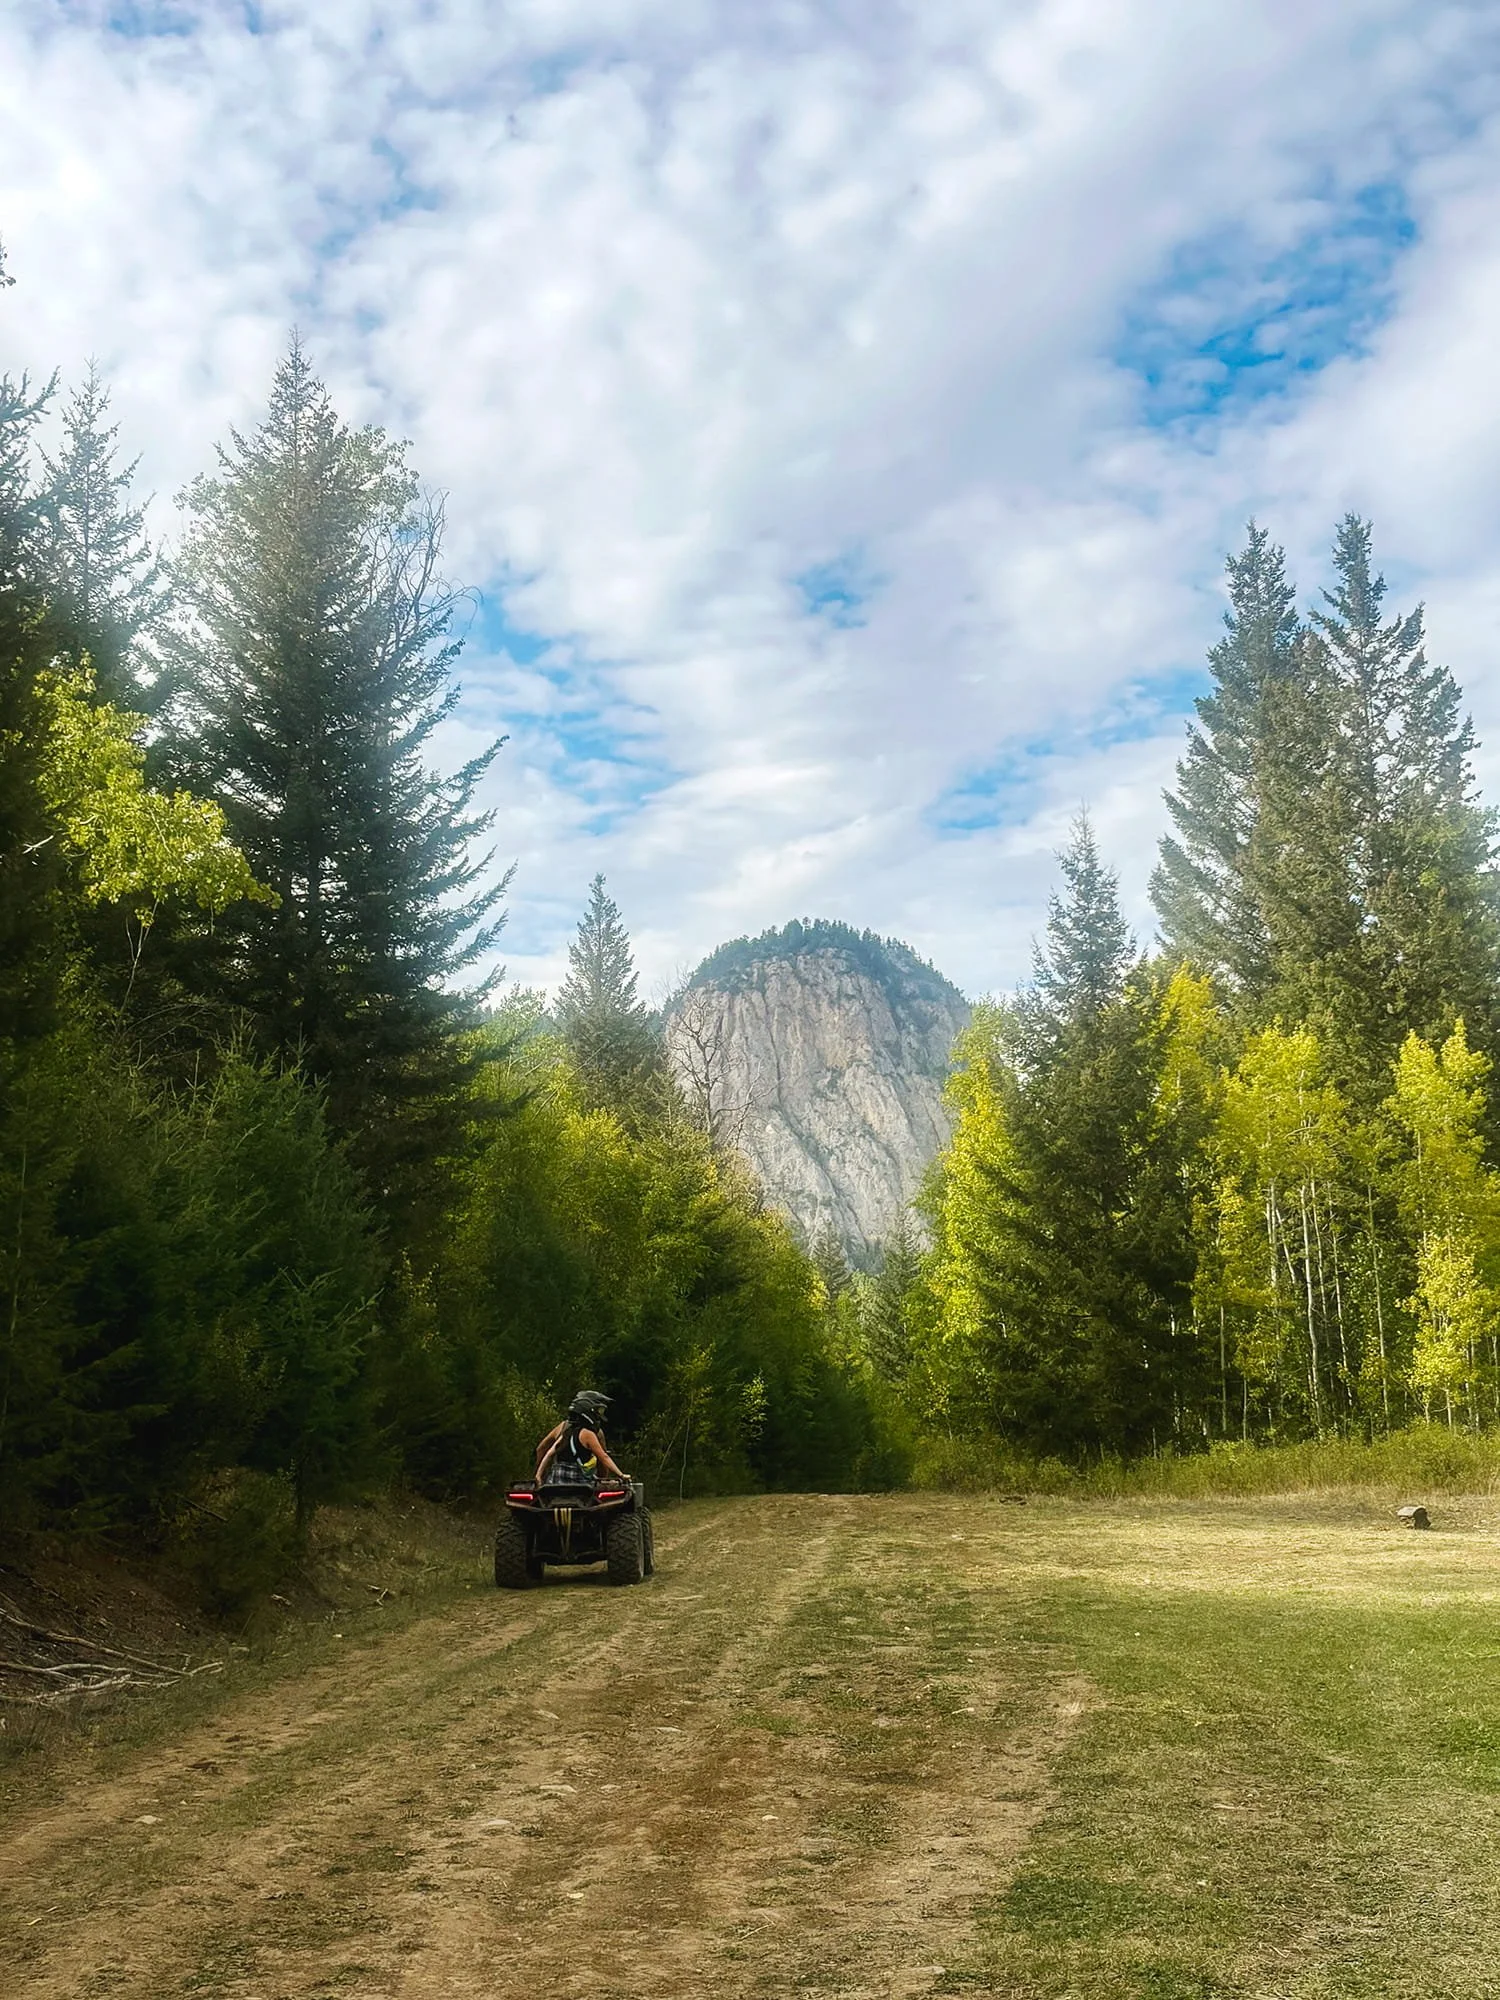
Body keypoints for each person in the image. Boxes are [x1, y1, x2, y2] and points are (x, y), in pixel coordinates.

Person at [535, 1390, 630, 1487]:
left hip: (557, 1479)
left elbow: (544, 1450)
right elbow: (603, 1459)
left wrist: (539, 1476)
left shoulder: (565, 1431)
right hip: (579, 1482)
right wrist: (620, 1476)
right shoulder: (591, 1434)